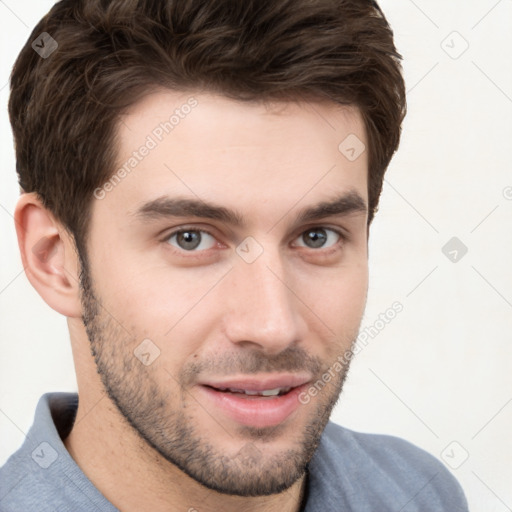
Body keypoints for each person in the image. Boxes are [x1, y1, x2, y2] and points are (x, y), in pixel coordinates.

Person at [0, 1, 469, 510]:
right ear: (54, 259)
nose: (273, 327)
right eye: (191, 239)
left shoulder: (417, 493)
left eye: (317, 236)